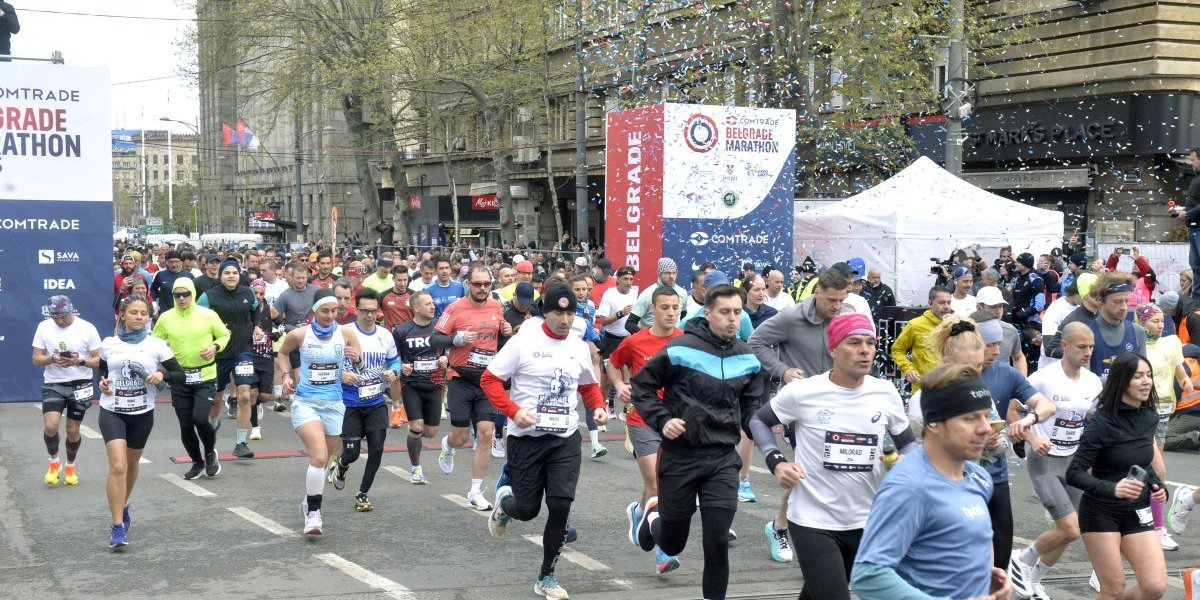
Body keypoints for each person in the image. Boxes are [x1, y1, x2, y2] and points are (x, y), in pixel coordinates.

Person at [749, 313, 916, 600]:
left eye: (870, 343)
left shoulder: (885, 392)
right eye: (854, 342)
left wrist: (906, 462)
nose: (864, 350)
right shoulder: (804, 392)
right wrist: (776, 462)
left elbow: (909, 443)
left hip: (866, 520)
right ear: (833, 350)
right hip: (812, 519)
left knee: (819, 591)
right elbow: (758, 421)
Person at [632, 283, 767, 600]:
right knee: (673, 543)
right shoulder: (681, 349)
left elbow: (752, 406)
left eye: (737, 312)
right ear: (707, 313)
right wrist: (663, 420)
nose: (732, 319)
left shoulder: (747, 357)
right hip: (681, 456)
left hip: (722, 459)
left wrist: (763, 425)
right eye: (725, 312)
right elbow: (642, 386)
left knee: (717, 541)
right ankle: (652, 513)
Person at [482, 284, 608, 600]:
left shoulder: (578, 346)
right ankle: (505, 503)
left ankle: (546, 576)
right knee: (527, 510)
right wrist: (513, 411)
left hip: (565, 438)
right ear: (544, 312)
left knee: (561, 506)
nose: (564, 320)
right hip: (526, 439)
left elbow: (588, 386)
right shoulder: (523, 342)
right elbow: (490, 380)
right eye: (558, 313)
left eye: (570, 313)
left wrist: (598, 407)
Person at [851, 364, 1010, 600]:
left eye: (986, 416)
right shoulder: (909, 487)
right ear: (934, 423)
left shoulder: (979, 478)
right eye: (970, 419)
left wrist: (982, 576)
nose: (986, 428)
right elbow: (868, 575)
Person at [747, 266, 850, 562]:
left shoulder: (845, 317)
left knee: (837, 469)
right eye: (832, 300)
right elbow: (755, 342)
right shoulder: (791, 318)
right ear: (817, 293)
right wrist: (782, 370)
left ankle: (823, 529)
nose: (837, 306)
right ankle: (781, 527)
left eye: (841, 300)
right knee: (808, 470)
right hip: (801, 408)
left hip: (840, 403)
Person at [1008, 322, 1103, 599]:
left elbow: (1090, 418)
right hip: (1045, 461)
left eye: (1091, 347)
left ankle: (1035, 580)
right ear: (1064, 345)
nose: (1088, 352)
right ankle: (1021, 558)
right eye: (1082, 347)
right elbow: (1012, 412)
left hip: (1074, 461)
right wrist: (1031, 438)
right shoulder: (1043, 378)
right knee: (1069, 528)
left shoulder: (1093, 381)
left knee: (1071, 529)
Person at [1066, 352, 1168, 600]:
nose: (1146, 381)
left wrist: (1156, 484)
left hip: (1137, 510)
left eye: (1148, 375)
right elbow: (1074, 473)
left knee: (1154, 586)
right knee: (1113, 590)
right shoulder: (1101, 423)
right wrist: (1113, 489)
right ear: (1122, 381)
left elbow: (1141, 462)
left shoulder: (1149, 417)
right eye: (1138, 376)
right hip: (1101, 512)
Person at [609, 286, 686, 574]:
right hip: (642, 419)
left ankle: (640, 512)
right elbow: (613, 364)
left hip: (675, 421)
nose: (671, 313)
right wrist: (620, 385)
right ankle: (663, 551)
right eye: (665, 307)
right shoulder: (636, 341)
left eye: (675, 307)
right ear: (652, 309)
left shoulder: (686, 341)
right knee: (658, 482)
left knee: (661, 481)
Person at [96, 295, 183, 549]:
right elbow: (103, 371)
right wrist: (102, 382)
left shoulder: (157, 345)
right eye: (134, 312)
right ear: (123, 314)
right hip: (112, 411)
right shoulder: (109, 343)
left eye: (143, 313)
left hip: (142, 413)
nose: (139, 317)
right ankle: (117, 527)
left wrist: (162, 374)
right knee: (118, 465)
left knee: (132, 463)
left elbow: (179, 374)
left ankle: (123, 504)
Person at [275, 288, 363, 534]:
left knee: (325, 460)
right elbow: (282, 353)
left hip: (334, 404)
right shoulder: (300, 334)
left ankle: (308, 501)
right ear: (314, 310)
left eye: (334, 311)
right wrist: (285, 376)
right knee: (318, 456)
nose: (330, 315)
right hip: (306, 403)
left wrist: (356, 360)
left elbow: (361, 365)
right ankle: (314, 514)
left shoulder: (346, 333)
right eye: (325, 311)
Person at [434, 263, 513, 510]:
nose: (482, 288)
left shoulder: (496, 306)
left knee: (486, 433)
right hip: (460, 377)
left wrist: (506, 332)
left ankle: (475, 491)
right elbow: (434, 338)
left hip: (487, 380)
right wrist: (455, 339)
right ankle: (448, 445)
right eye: (477, 284)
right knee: (460, 436)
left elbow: (499, 337)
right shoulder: (454, 308)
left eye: (486, 284)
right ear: (468, 284)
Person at [328, 289, 400, 512]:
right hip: (349, 403)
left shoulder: (385, 335)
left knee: (377, 450)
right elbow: (327, 362)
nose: (369, 315)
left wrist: (393, 372)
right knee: (352, 453)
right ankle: (341, 464)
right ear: (356, 310)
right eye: (364, 311)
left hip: (376, 402)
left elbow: (395, 361)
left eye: (373, 311)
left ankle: (363, 493)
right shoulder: (344, 333)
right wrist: (342, 375)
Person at [152, 277, 230, 480]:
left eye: (185, 294)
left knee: (201, 419)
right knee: (186, 425)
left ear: (192, 294)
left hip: (205, 376)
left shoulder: (207, 314)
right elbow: (154, 343)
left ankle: (210, 453)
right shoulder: (166, 318)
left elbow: (224, 335)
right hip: (180, 378)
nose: (181, 298)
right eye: (177, 295)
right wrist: (162, 352)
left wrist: (215, 347)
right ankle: (197, 461)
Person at [1135, 302, 1191, 551]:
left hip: (1165, 413)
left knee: (1142, 471)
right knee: (1158, 472)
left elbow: (1179, 371)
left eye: (1161, 321)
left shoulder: (1171, 343)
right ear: (1141, 322)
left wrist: (1185, 380)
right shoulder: (1136, 345)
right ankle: (1158, 530)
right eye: (1154, 321)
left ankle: (1139, 523)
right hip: (1142, 413)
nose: (1160, 325)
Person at [32, 295, 102, 486]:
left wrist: (79, 361)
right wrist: (52, 359)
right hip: (54, 383)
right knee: (51, 426)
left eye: (64, 316)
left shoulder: (87, 328)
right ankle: (54, 461)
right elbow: (36, 358)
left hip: (81, 383)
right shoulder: (43, 327)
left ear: (71, 310)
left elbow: (99, 360)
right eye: (56, 318)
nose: (60, 321)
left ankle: (70, 466)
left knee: (73, 430)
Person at [198, 258, 260, 459]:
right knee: (216, 398)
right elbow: (197, 318)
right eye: (227, 273)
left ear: (239, 275)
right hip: (219, 353)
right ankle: (212, 429)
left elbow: (255, 309)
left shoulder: (248, 292)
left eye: (234, 272)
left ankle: (241, 443)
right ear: (220, 276)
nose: (231, 276)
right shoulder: (209, 296)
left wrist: (257, 326)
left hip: (243, 351)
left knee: (245, 395)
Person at [392, 290, 447, 483]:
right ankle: (416, 469)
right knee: (416, 427)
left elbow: (450, 349)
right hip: (412, 384)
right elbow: (392, 357)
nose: (433, 306)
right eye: (428, 304)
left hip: (434, 384)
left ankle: (418, 437)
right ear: (415, 307)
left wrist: (445, 358)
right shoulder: (402, 331)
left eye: (433, 303)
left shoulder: (440, 328)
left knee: (430, 432)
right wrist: (401, 365)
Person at [890, 287, 953, 390]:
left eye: (949, 302)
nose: (946, 306)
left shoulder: (955, 324)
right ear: (930, 303)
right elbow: (897, 349)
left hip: (951, 387)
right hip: (923, 388)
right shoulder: (915, 325)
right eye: (941, 302)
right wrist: (908, 369)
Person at [977, 286, 1028, 376]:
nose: (998, 311)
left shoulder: (1010, 330)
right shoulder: (967, 331)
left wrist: (1022, 379)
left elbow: (1018, 357)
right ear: (979, 307)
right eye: (993, 307)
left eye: (1000, 306)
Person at [626, 258, 688, 332]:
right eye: (667, 273)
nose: (671, 276)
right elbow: (630, 323)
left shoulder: (682, 293)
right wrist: (645, 337)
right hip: (652, 336)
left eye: (674, 273)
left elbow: (683, 317)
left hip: (675, 338)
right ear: (659, 274)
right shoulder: (648, 294)